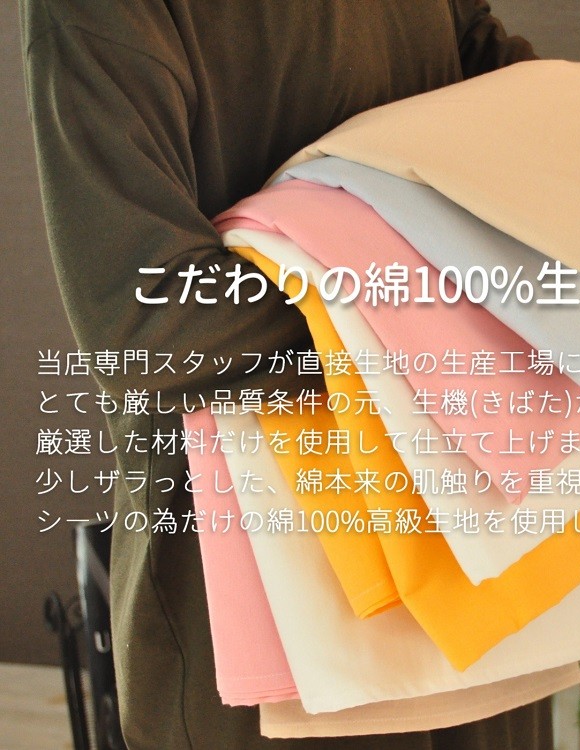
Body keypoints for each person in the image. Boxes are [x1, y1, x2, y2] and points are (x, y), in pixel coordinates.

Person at [21, 1, 546, 747]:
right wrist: (449, 287)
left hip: (471, 549)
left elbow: (526, 117)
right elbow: (147, 323)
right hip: (268, 586)